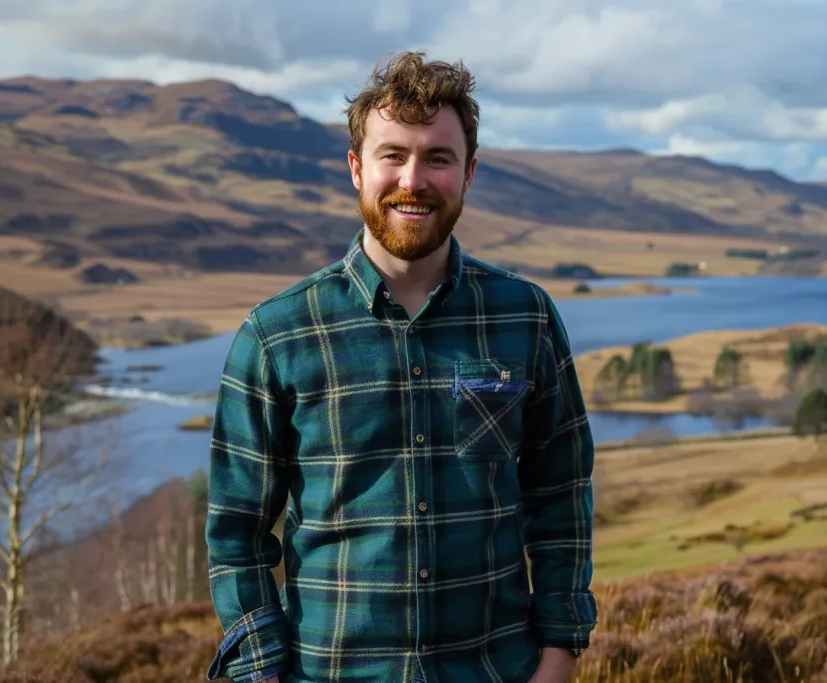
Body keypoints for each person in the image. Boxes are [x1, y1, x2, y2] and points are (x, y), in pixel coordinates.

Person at [204, 50, 597, 683]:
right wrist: (261, 671)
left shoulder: (525, 316)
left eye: (438, 158)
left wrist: (559, 654)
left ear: (469, 173)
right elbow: (236, 535)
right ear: (357, 169)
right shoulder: (278, 334)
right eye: (393, 155)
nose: (413, 180)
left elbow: (561, 493)